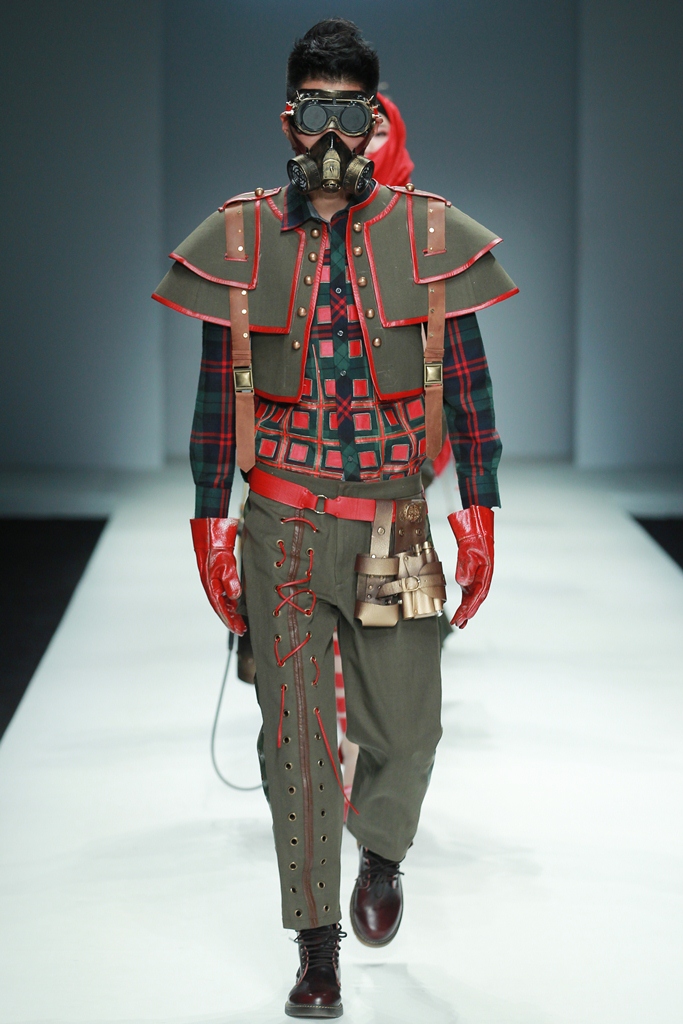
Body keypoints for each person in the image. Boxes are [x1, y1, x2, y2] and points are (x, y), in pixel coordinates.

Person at [153, 18, 517, 1019]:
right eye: (314, 112)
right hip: (282, 521)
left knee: (408, 726)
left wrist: (479, 509)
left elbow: (470, 389)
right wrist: (209, 520)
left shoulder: (430, 236)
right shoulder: (240, 241)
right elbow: (218, 397)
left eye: (349, 115)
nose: (330, 136)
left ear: (373, 119)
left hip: (396, 519)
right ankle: (316, 950)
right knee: (295, 739)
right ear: (288, 116)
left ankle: (382, 851)